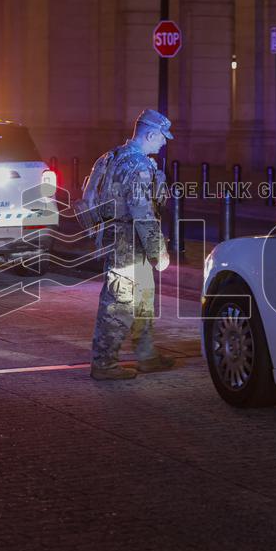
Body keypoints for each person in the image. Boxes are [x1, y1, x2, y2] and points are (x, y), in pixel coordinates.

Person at [89, 109, 175, 381]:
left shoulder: (113, 157)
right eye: (162, 137)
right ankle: (104, 363)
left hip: (119, 237)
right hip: (128, 242)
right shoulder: (137, 165)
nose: (164, 142)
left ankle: (147, 355)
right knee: (119, 302)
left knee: (143, 298)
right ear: (150, 135)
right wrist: (158, 250)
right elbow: (142, 211)